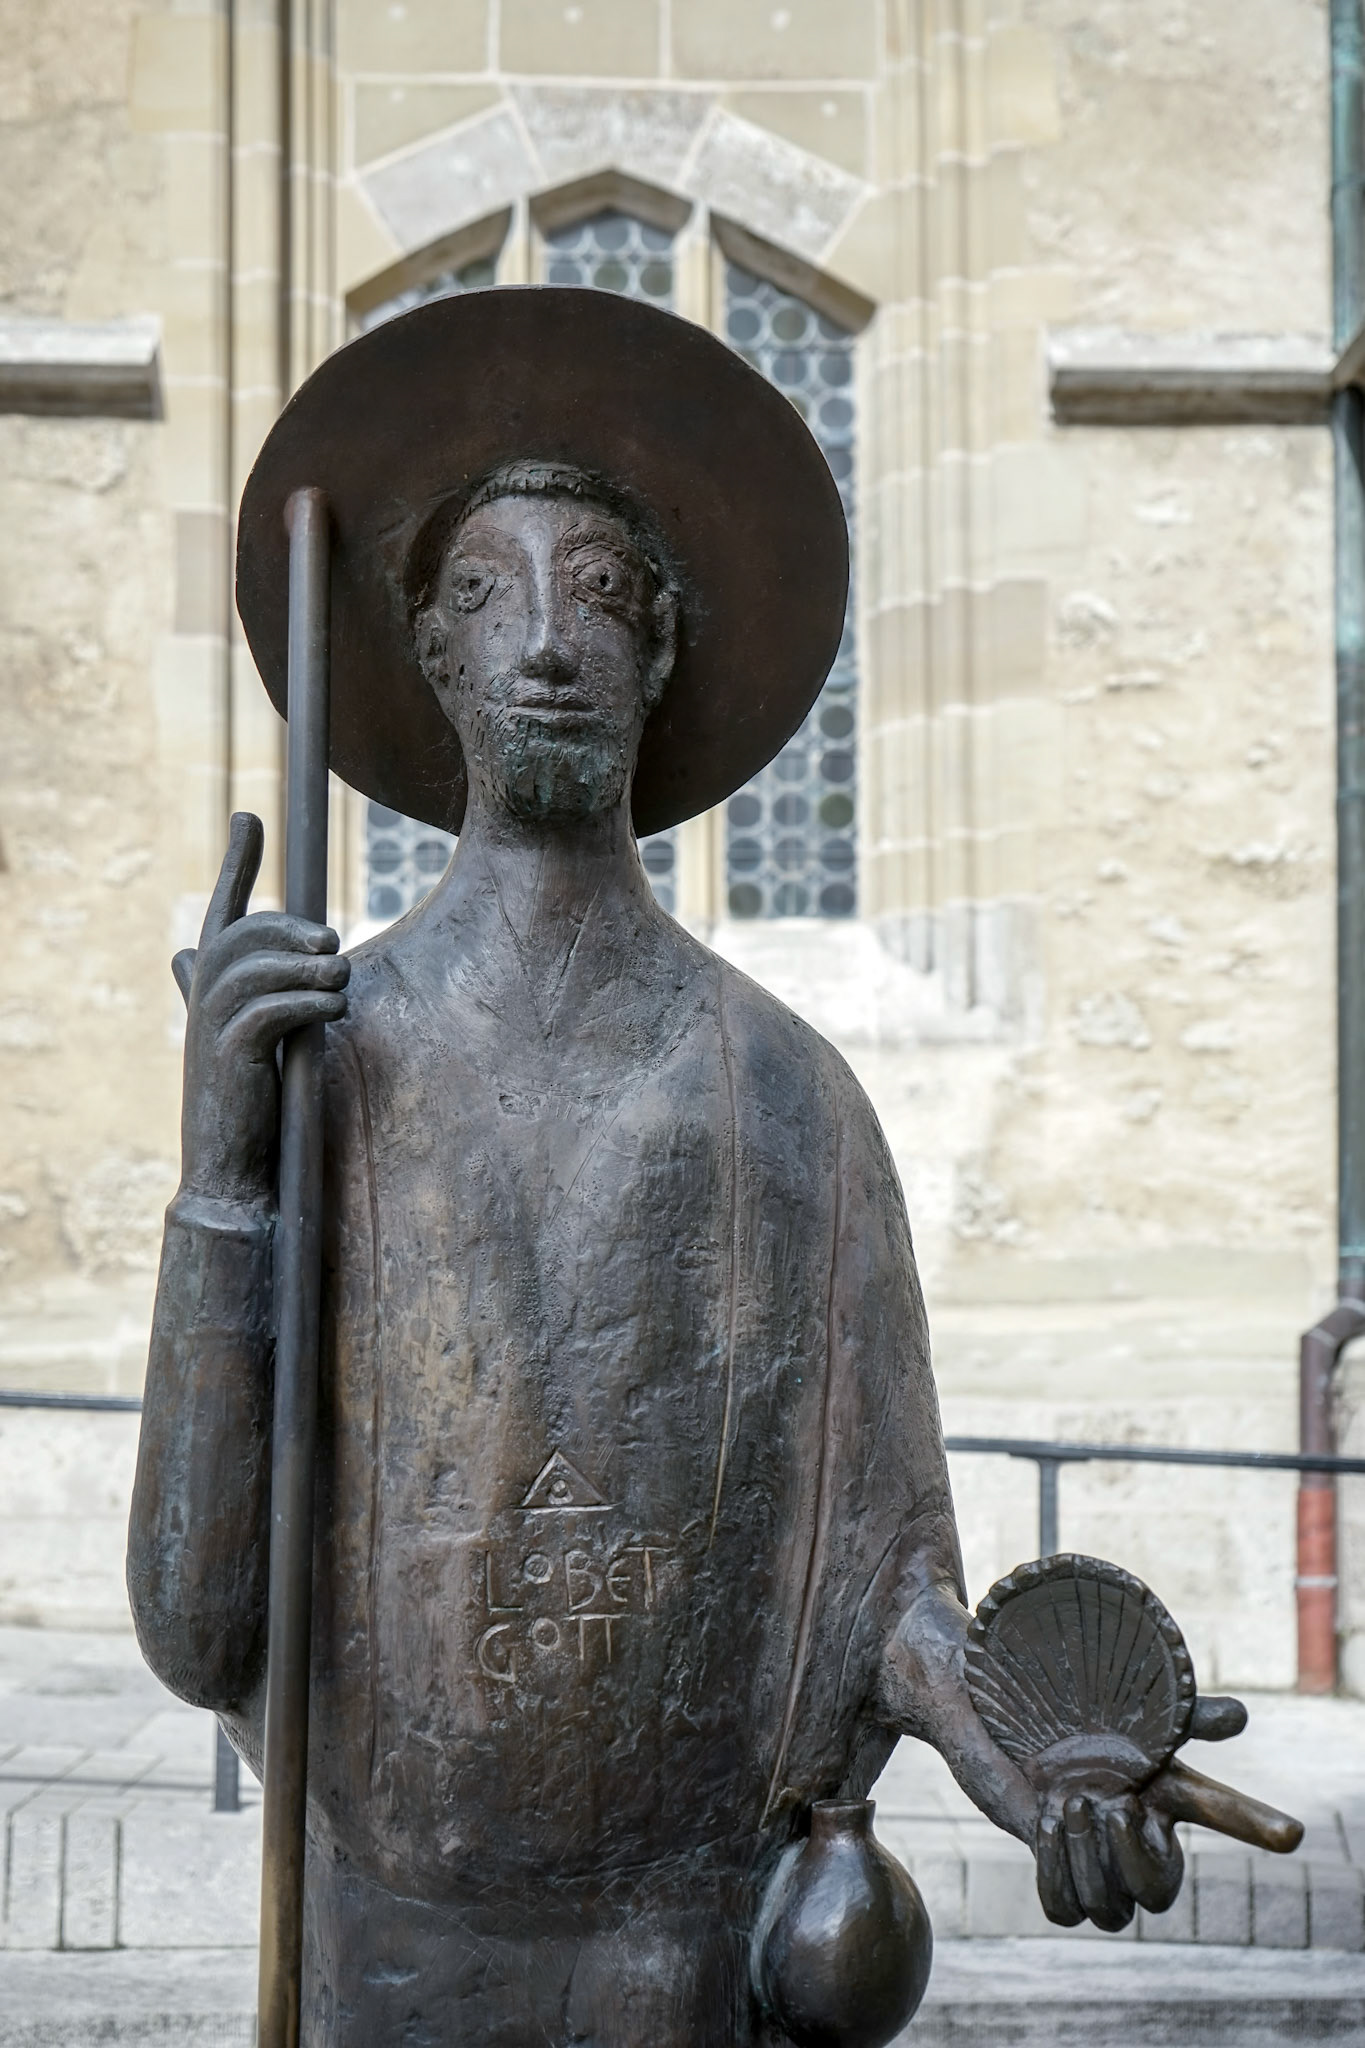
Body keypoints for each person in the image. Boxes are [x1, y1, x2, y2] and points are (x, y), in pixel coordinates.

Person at [127, 291, 1277, 2046]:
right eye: (482, 594)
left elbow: (884, 1578)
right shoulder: (322, 1064)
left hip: (695, 1945)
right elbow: (202, 1623)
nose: (542, 643)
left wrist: (1023, 1757)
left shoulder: (790, 1100)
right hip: (391, 1938)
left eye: (597, 594)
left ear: (659, 651)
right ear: (425, 655)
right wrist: (225, 1175)